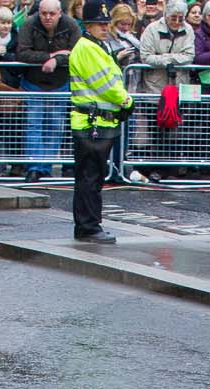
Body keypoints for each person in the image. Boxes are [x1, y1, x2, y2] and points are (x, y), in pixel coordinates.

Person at [66, 0, 131, 242]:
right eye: (99, 24)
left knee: (92, 177)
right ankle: (88, 227)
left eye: (106, 23)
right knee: (90, 178)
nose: (104, 28)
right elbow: (105, 85)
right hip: (91, 122)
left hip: (98, 122)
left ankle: (89, 225)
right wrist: (126, 101)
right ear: (88, 25)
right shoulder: (88, 48)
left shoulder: (96, 46)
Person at [19, 0, 81, 182]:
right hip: (34, 81)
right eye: (44, 13)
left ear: (59, 13)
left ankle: (46, 166)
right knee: (33, 125)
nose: (47, 17)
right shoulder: (29, 24)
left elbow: (77, 53)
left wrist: (57, 60)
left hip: (60, 83)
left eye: (51, 14)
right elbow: (22, 53)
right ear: (39, 12)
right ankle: (34, 167)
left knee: (54, 126)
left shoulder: (71, 25)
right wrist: (49, 56)